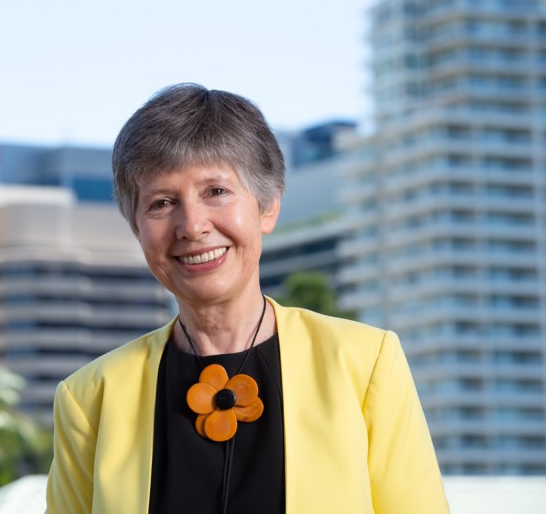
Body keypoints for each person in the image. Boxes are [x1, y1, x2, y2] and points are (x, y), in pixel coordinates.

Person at [45, 83, 449, 514]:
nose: (192, 225)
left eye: (215, 191)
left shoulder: (365, 363)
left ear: (268, 206)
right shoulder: (90, 399)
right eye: (162, 203)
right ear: (137, 228)